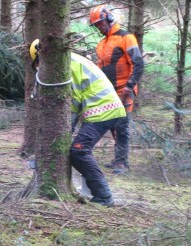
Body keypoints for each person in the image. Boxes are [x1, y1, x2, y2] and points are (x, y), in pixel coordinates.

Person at [29, 39, 128, 207]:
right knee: (79, 151)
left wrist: (68, 128)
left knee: (79, 151)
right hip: (102, 108)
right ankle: (90, 192)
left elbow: (71, 100)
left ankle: (104, 196)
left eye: (38, 63)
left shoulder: (64, 66)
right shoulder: (70, 60)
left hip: (104, 110)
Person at [89, 5, 144, 174]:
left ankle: (122, 163)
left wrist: (129, 86)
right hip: (108, 91)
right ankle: (118, 159)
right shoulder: (101, 44)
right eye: (96, 25)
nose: (100, 27)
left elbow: (139, 63)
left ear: (109, 18)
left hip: (124, 89)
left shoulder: (126, 37)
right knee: (112, 125)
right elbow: (99, 69)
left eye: (101, 23)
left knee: (121, 126)